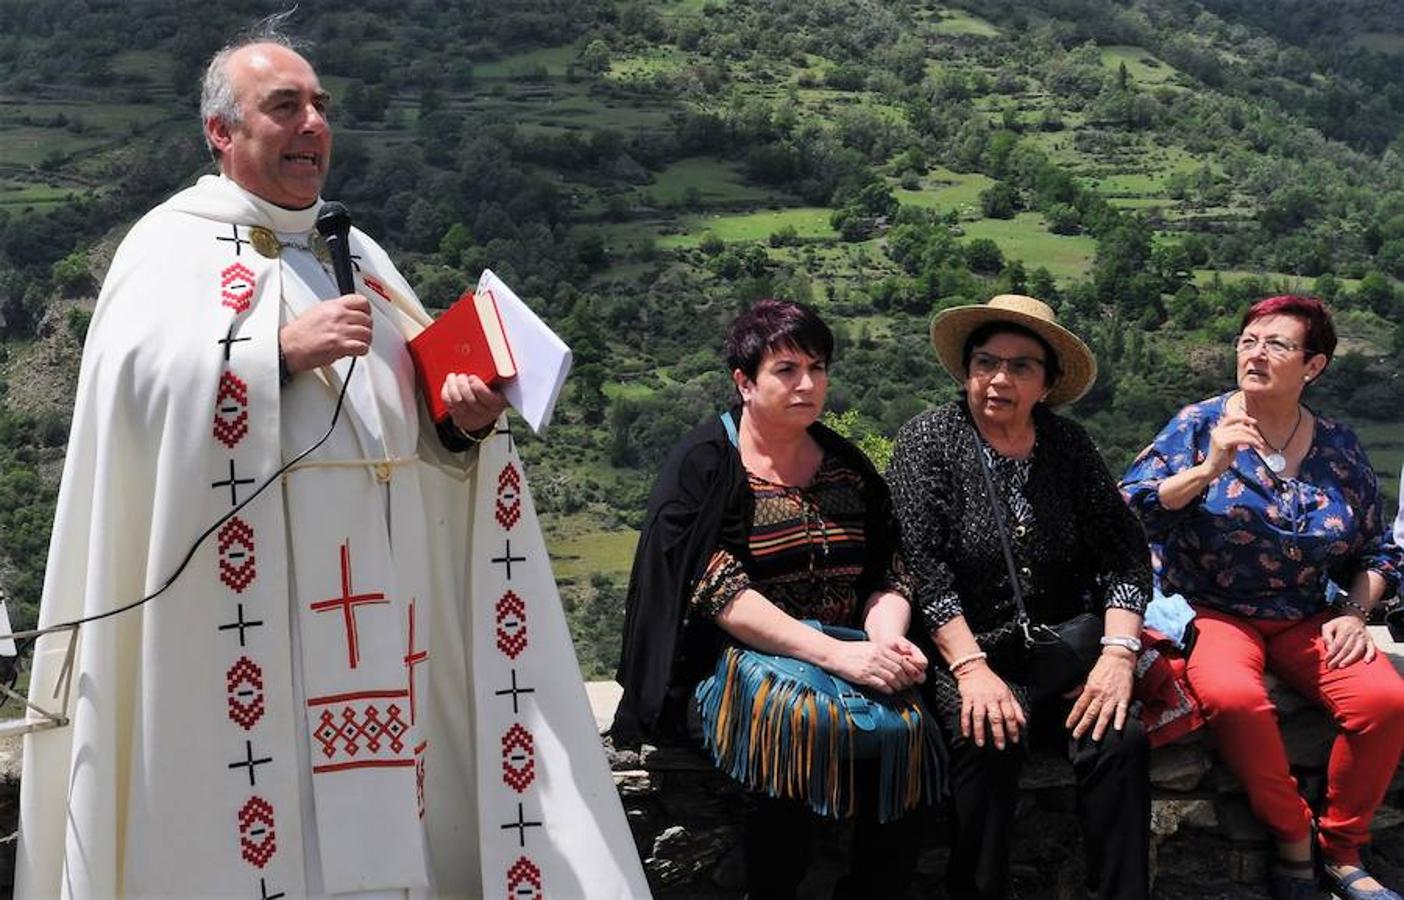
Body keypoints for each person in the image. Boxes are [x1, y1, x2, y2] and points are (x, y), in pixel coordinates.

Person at [17, 25, 647, 899]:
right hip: (241, 629)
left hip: (384, 623)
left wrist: (461, 424)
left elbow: (417, 424)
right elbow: (130, 398)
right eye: (285, 107)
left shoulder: (355, 254)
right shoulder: (168, 248)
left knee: (395, 835)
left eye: (321, 107)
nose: (313, 124)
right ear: (221, 133)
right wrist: (269, 354)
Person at [614, 298, 931, 899]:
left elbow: (889, 571)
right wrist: (835, 657)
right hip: (732, 660)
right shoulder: (707, 466)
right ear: (744, 381)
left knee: (911, 735)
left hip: (850, 651)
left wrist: (886, 638)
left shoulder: (846, 467)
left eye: (818, 367)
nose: (807, 384)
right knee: (792, 726)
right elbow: (717, 590)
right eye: (786, 369)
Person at [1121, 295, 1404, 900]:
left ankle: (1343, 848)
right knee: (1232, 697)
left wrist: (1356, 611)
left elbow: (1379, 552)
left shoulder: (1340, 447)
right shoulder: (1198, 424)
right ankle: (1293, 836)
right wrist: (1208, 469)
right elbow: (1129, 510)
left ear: (1314, 366)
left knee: (1383, 701)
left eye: (1277, 344)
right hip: (1213, 608)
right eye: (1248, 341)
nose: (1255, 353)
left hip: (1309, 612)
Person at [887, 294, 1153, 900]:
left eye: (1020, 366)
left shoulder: (1067, 447)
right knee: (985, 737)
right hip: (969, 654)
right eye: (986, 362)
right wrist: (972, 668)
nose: (999, 379)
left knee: (1120, 738)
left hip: (1061, 655)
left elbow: (1125, 553)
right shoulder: (928, 442)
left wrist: (1116, 656)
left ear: (1047, 383)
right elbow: (925, 570)